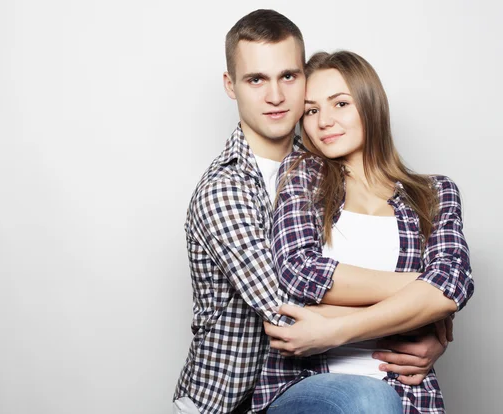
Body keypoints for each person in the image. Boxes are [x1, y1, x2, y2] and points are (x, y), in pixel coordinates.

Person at [174, 10, 452, 414]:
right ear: (230, 85)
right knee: (367, 399)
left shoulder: (327, 169)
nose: (275, 96)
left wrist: (435, 309)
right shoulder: (224, 189)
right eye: (256, 79)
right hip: (233, 400)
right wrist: (426, 304)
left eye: (288, 76)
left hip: (324, 385)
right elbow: (288, 308)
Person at [256, 51, 474, 413]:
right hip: (305, 386)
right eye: (310, 111)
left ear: (371, 104)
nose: (324, 121)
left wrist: (334, 329)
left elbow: (455, 277)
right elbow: (299, 274)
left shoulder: (435, 194)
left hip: (410, 395)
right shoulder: (301, 174)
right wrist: (425, 297)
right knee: (369, 398)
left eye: (340, 103)